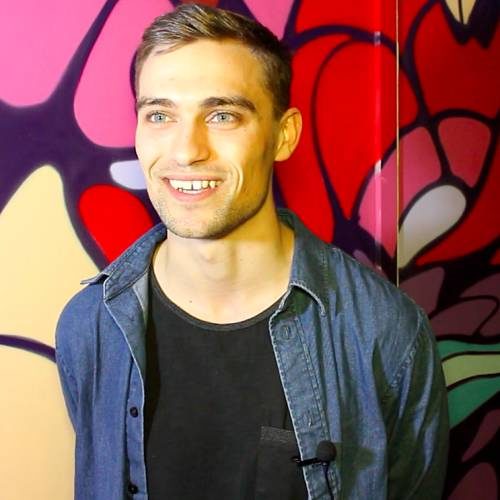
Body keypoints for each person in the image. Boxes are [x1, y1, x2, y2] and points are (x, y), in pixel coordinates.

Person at [55, 4, 449, 500]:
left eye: (222, 115)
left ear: (284, 135)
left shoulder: (384, 333)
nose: (186, 150)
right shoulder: (91, 325)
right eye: (159, 115)